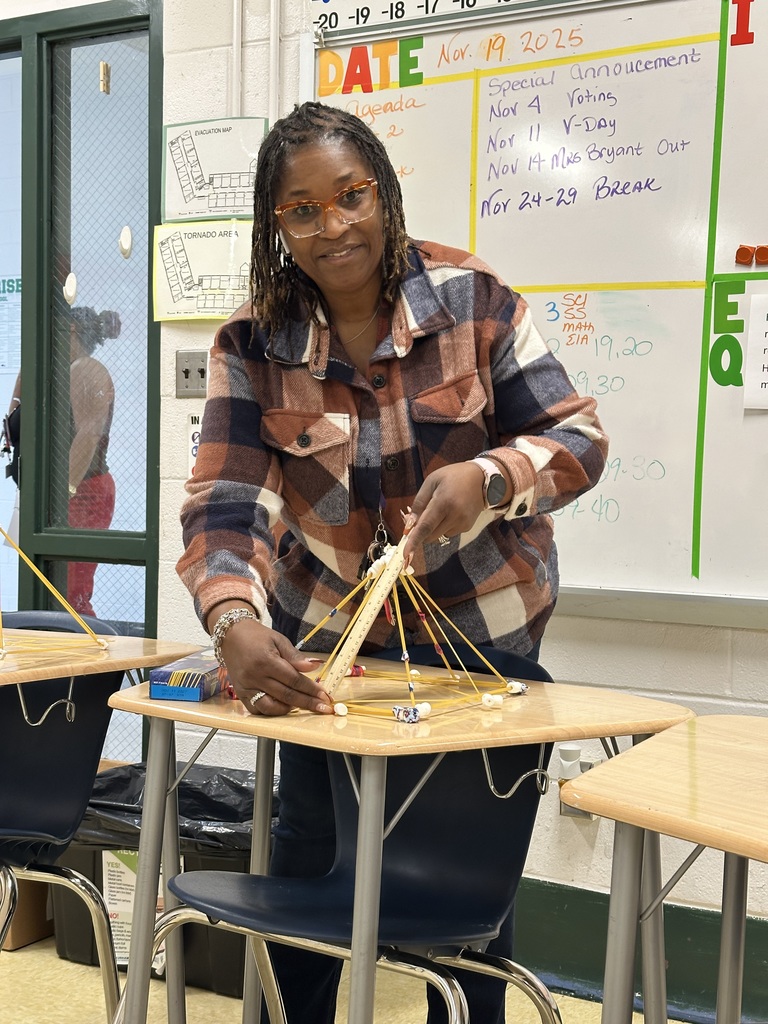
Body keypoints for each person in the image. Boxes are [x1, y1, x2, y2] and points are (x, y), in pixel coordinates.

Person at [177, 101, 609, 1024]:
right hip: (331, 661)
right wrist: (235, 623)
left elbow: (577, 436)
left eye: (351, 196)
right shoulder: (251, 343)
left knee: (465, 902)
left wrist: (493, 478)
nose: (332, 226)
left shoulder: (473, 298)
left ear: (384, 191)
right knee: (308, 870)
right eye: (301, 210)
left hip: (483, 647)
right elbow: (226, 501)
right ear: (276, 227)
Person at [67, 305, 121, 616]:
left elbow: (88, 434)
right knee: (64, 586)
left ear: (71, 329)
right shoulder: (73, 367)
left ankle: (87, 663)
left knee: (72, 592)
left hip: (84, 489)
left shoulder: (85, 370)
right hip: (84, 487)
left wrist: (65, 490)